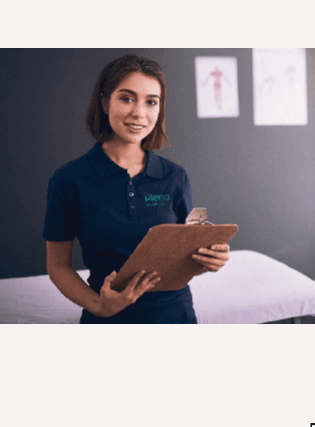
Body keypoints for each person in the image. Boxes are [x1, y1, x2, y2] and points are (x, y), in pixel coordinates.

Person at [43, 54, 230, 324]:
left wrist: (208, 260)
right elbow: (58, 266)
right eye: (127, 98)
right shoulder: (67, 180)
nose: (139, 113)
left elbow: (185, 255)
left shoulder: (176, 176)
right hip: (107, 318)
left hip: (176, 315)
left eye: (151, 102)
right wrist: (98, 306)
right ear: (106, 102)